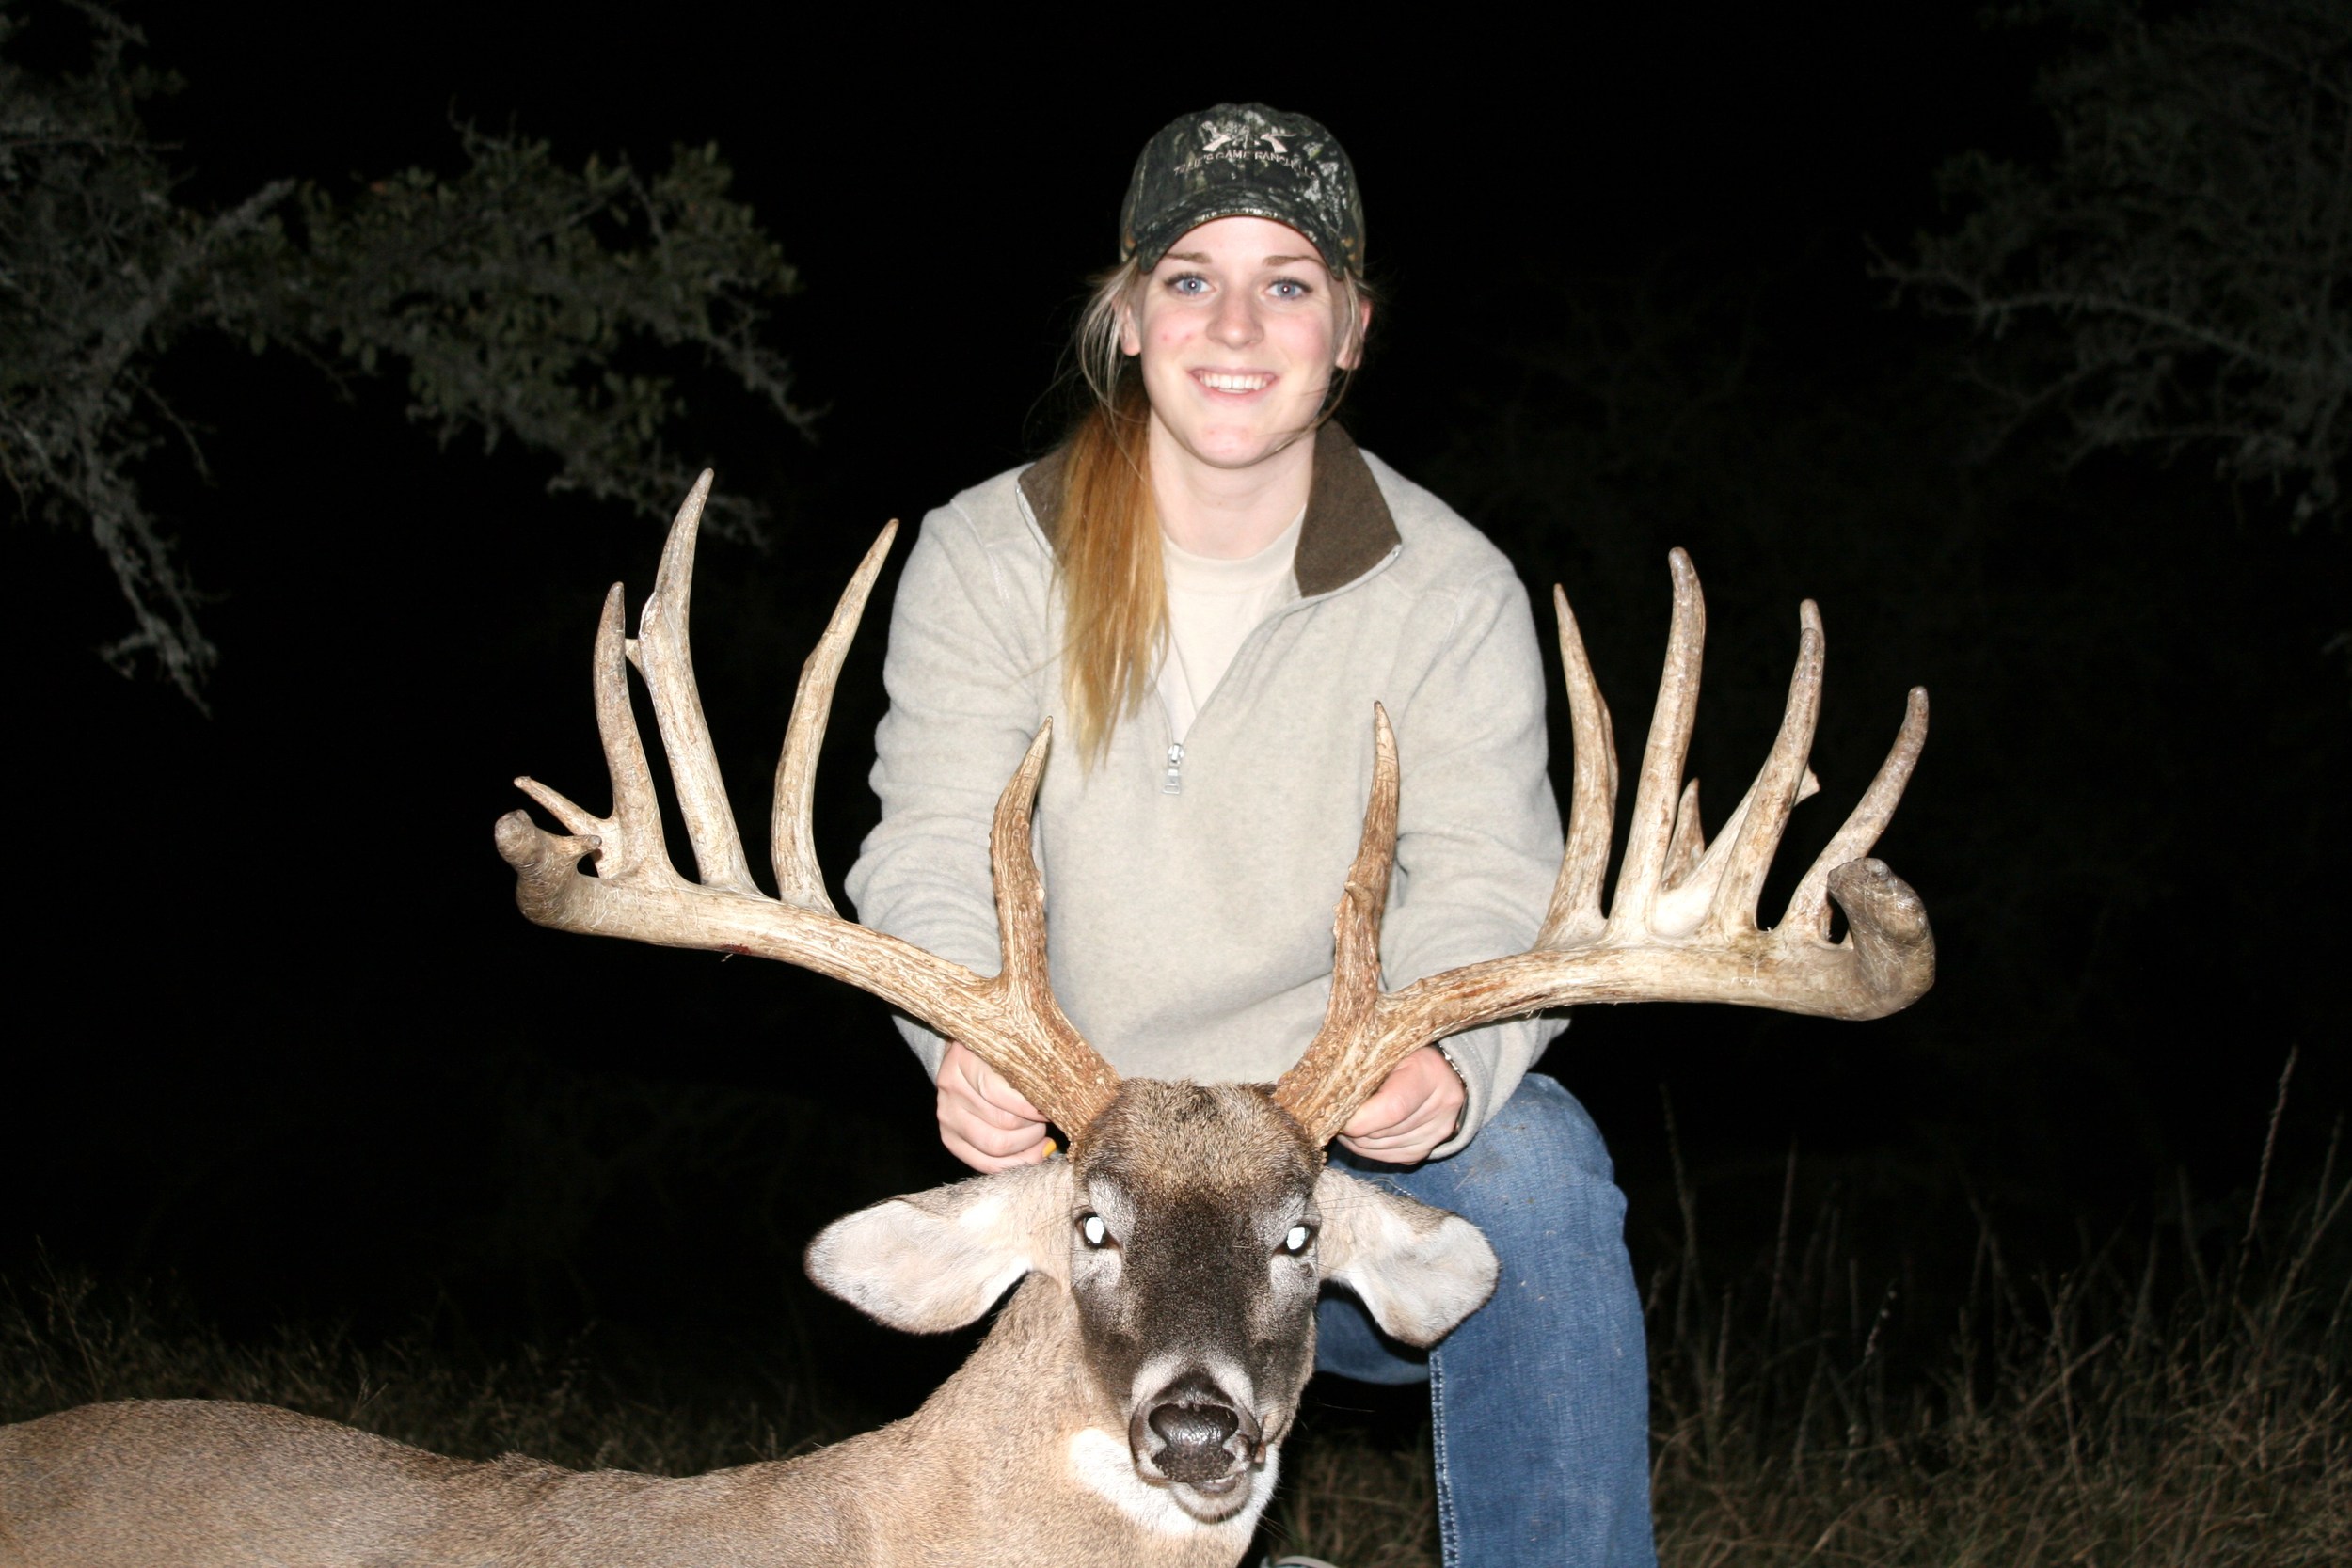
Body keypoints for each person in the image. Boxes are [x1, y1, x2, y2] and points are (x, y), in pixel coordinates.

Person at [845, 103, 1654, 1568]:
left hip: (1324, 1160)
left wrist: (1445, 1073)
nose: (1238, 322)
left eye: (1287, 281)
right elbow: (925, 851)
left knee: (1533, 1170)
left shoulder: (1448, 589)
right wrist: (962, 1049)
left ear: (1350, 327)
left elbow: (1490, 883)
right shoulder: (988, 555)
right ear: (1129, 312)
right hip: (1097, 1168)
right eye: (1191, 275)